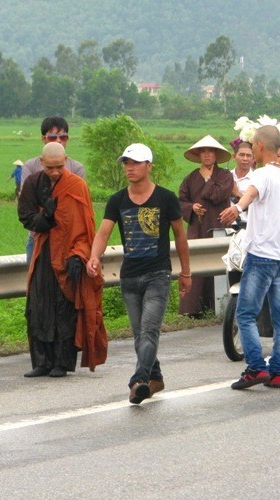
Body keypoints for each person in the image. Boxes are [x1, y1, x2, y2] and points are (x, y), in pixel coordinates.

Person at [87, 143, 192, 404]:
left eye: (135, 163)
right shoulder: (117, 200)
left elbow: (180, 237)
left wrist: (186, 273)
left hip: (158, 274)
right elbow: (103, 233)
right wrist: (94, 257)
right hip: (130, 276)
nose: (129, 168)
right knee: (139, 333)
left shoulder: (166, 198)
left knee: (148, 330)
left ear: (149, 166)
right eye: (126, 163)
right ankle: (154, 378)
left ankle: (139, 380)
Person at [219, 125, 280, 389]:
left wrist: (237, 207)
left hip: (262, 256)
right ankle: (277, 372)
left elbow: (250, 196)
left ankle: (255, 367)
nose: (251, 150)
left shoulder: (262, 175)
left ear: (261, 147)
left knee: (245, 313)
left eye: (253, 145)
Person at [18, 142, 107, 377]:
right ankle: (41, 362)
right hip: (43, 251)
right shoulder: (33, 183)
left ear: (66, 160)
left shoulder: (77, 185)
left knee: (63, 307)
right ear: (41, 162)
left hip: (68, 255)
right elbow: (25, 216)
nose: (55, 172)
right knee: (38, 306)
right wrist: (45, 217)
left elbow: (86, 225)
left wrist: (80, 255)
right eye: (50, 168)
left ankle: (61, 363)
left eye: (59, 166)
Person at [178, 135, 234, 316]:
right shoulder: (190, 178)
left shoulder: (225, 176)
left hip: (218, 227)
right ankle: (192, 310)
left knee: (218, 266)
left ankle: (218, 308)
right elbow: (180, 202)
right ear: (199, 155)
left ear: (216, 155)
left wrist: (209, 181)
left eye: (211, 152)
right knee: (195, 266)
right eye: (203, 152)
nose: (207, 155)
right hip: (197, 229)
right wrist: (192, 207)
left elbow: (217, 195)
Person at [21, 117, 86, 263]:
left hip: (68, 239)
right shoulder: (31, 167)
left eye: (63, 137)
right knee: (36, 283)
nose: (58, 141)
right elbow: (27, 204)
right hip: (37, 237)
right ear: (43, 138)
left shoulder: (76, 169)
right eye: (52, 137)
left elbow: (79, 209)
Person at [230, 141, 254, 221]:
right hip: (226, 226)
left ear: (253, 158)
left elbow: (257, 208)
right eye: (241, 155)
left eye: (249, 155)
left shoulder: (256, 180)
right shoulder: (226, 177)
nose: (245, 159)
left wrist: (237, 193)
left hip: (248, 226)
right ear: (234, 156)